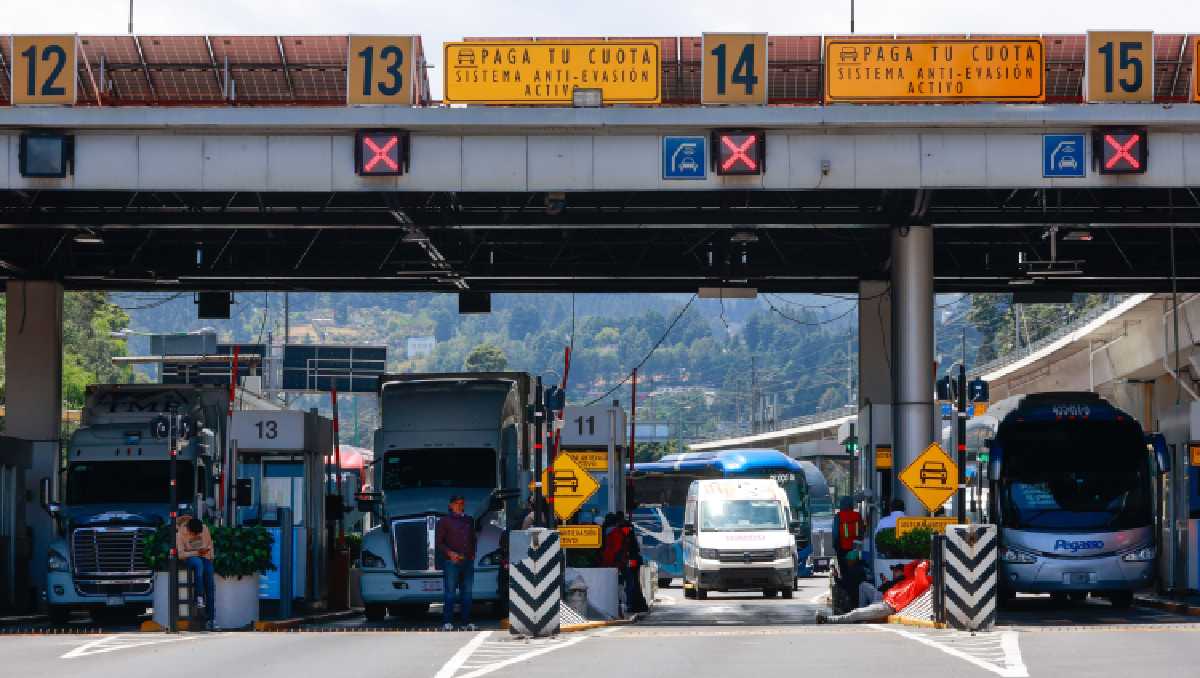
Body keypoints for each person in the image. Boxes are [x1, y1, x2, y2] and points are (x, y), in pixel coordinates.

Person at [817, 559, 932, 624]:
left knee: (857, 613)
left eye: (896, 570)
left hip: (888, 606)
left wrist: (927, 562)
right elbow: (910, 567)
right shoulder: (908, 578)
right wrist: (921, 559)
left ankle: (828, 619)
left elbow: (919, 570)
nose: (894, 572)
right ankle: (861, 612)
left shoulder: (920, 582)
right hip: (883, 599)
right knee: (863, 586)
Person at [435, 495, 478, 631]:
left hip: (467, 561)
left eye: (461, 503)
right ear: (450, 505)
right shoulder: (444, 521)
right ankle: (447, 622)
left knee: (467, 593)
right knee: (450, 593)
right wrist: (450, 554)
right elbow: (439, 543)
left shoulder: (469, 520)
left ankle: (466, 622)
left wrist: (472, 555)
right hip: (451, 562)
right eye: (456, 503)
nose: (459, 506)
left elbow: (473, 539)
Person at [176, 515, 215, 623]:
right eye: (195, 534)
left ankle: (211, 619)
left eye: (199, 533)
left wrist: (210, 557)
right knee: (198, 563)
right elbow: (181, 554)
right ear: (188, 530)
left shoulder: (204, 528)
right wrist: (196, 552)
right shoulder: (180, 534)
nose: (197, 535)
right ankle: (199, 596)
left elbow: (210, 544)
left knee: (210, 582)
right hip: (191, 558)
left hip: (204, 557)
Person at [832, 496, 864, 574]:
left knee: (844, 569)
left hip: (842, 547)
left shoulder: (838, 516)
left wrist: (835, 546)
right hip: (856, 547)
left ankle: (846, 584)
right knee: (854, 568)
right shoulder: (858, 515)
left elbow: (835, 534)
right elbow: (862, 531)